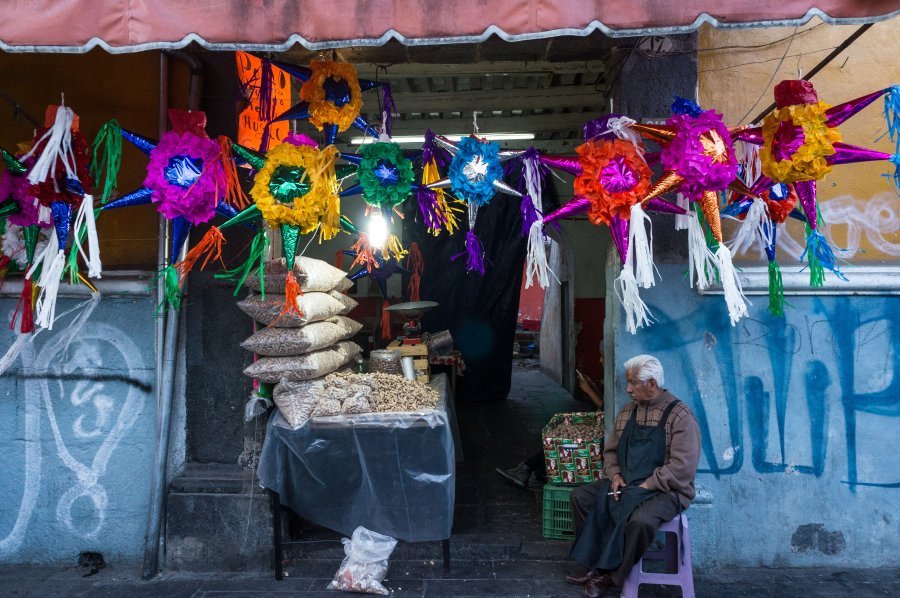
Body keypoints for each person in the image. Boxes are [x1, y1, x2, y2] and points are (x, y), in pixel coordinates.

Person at [566, 355, 700, 598]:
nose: (628, 389)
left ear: (651, 383)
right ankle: (595, 564)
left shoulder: (680, 416)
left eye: (633, 383)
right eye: (628, 382)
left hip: (666, 490)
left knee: (641, 521)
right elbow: (611, 451)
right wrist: (615, 475)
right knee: (582, 496)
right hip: (628, 483)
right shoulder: (628, 412)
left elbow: (682, 466)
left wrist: (649, 484)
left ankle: (611, 576)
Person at [496, 360, 604, 490]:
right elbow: (605, 403)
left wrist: (589, 391)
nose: (600, 360)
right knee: (554, 442)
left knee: (559, 444)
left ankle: (533, 473)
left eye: (603, 356)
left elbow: (606, 408)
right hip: (599, 422)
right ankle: (529, 470)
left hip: (603, 429)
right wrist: (592, 386)